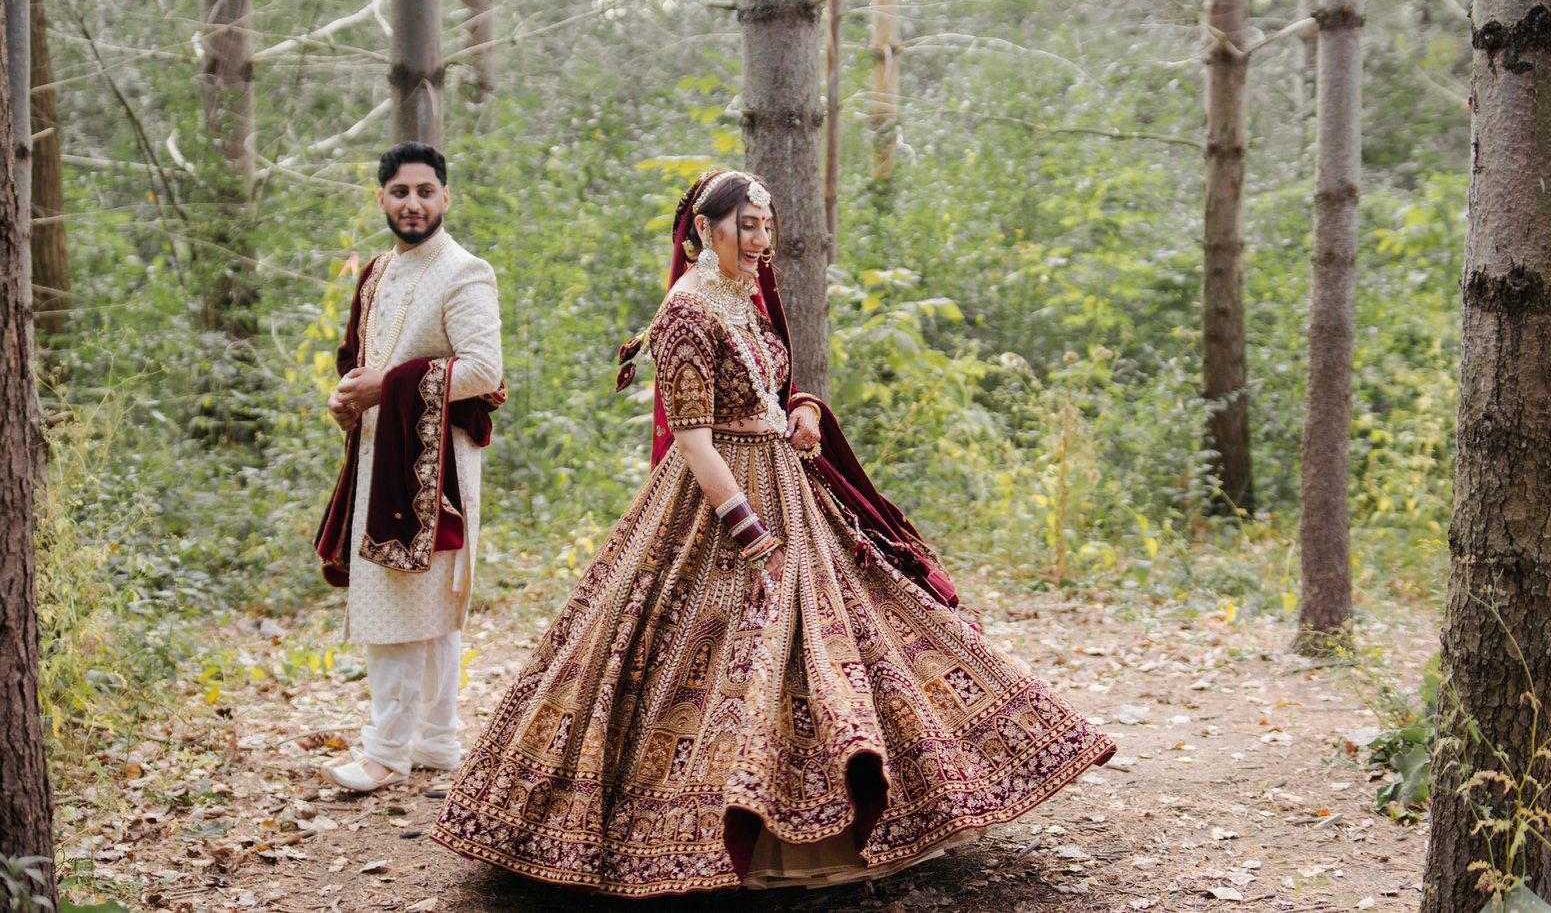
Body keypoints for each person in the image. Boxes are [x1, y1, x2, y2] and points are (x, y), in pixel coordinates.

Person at [431, 169, 1112, 893]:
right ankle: (718, 837)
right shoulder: (687, 310)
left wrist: (804, 410)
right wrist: (751, 534)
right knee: (726, 649)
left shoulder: (741, 295)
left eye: (766, 226)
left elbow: (769, 389)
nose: (760, 240)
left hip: (788, 483)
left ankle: (878, 804)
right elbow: (694, 442)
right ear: (704, 229)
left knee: (852, 629)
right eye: (745, 225)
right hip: (720, 502)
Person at [312, 141, 505, 792]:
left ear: (446, 196)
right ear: (382, 199)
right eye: (400, 192)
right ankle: (436, 740)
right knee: (416, 601)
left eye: (425, 191)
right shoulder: (376, 274)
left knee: (407, 600)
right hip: (381, 454)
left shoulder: (464, 271)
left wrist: (386, 385)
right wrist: (348, 397)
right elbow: (359, 362)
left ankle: (385, 754)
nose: (413, 203)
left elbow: (484, 370)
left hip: (435, 466)